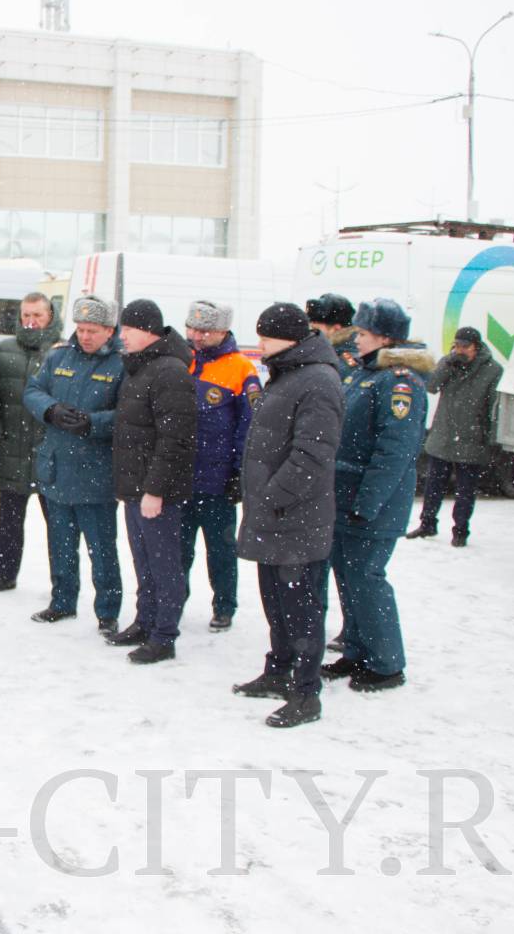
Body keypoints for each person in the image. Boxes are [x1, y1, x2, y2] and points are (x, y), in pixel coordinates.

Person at [232, 302, 343, 728]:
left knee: (301, 608)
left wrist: (275, 495)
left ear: (290, 339)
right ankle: (278, 670)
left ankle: (305, 692)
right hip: (272, 513)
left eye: (266, 337)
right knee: (275, 602)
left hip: (295, 516)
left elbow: (313, 454)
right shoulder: (288, 373)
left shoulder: (318, 381)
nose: (260, 345)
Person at [320, 299, 431, 694]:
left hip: (371, 505)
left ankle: (386, 663)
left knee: (367, 579)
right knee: (349, 579)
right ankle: (356, 651)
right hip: (346, 498)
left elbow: (394, 452)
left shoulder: (399, 383)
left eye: (364, 333)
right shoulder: (364, 374)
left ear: (385, 338)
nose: (357, 339)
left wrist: (367, 504)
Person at [22, 295, 125, 633]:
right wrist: (50, 409)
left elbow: (128, 414)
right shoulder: (59, 356)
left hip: (96, 473)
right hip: (56, 468)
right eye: (80, 329)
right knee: (61, 545)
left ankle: (107, 611)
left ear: (109, 330)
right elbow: (32, 390)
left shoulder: (121, 365)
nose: (85, 336)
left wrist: (93, 423)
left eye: (92, 330)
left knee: (102, 549)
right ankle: (62, 601)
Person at [104, 299, 197, 665]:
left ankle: (164, 635)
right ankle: (145, 622)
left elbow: (175, 440)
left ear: (148, 331)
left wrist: (155, 490)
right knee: (143, 561)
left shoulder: (170, 372)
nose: (122, 336)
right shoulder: (139, 367)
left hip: (156, 491)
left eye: (128, 329)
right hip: (135, 487)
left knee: (164, 564)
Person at [181, 299, 261, 633]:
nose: (198, 336)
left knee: (221, 551)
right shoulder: (181, 360)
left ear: (224, 331)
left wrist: (239, 473)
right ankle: (174, 601)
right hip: (179, 478)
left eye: (206, 331)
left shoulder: (241, 369)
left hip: (217, 480)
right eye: (193, 328)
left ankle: (224, 606)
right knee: (177, 551)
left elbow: (249, 426)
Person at [0, 293, 58, 594]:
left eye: (37, 315)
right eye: (26, 315)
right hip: (11, 448)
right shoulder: (3, 350)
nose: (31, 321)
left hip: (49, 453)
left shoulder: (61, 351)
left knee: (58, 524)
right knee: (8, 520)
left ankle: (62, 583)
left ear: (50, 316)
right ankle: (4, 575)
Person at [406, 326, 504, 547]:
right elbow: (431, 386)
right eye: (456, 345)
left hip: (471, 438)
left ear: (476, 347)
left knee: (465, 491)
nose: (460, 350)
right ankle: (427, 524)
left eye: (465, 346)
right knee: (433, 485)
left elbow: (493, 407)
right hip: (443, 435)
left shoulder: (492, 370)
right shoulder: (449, 363)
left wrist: (491, 440)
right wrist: (448, 365)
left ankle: (460, 531)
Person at [306, 293, 360, 377]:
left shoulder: (345, 361)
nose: (311, 334)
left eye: (316, 330)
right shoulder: (332, 351)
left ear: (336, 329)